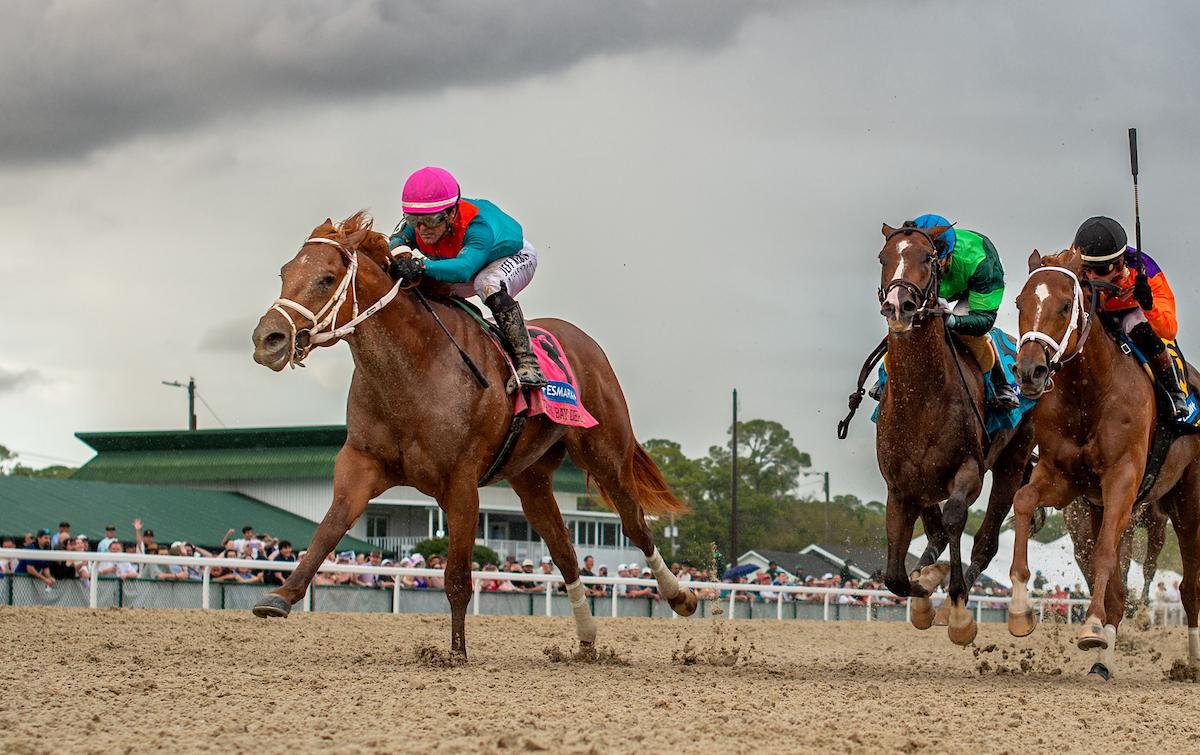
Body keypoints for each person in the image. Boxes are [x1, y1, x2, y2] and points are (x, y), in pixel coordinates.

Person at [386, 166, 547, 388]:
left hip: (511, 256)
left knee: (487, 284)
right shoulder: (422, 221)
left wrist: (419, 265)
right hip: (464, 260)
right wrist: (401, 255)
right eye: (414, 220)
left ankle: (528, 363)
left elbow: (464, 270)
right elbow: (395, 241)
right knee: (426, 285)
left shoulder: (478, 227)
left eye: (431, 220)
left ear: (451, 212)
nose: (422, 229)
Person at [874, 213, 1021, 410]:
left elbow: (984, 319)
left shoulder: (981, 262)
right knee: (907, 324)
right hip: (933, 286)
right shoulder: (915, 254)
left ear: (946, 256)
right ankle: (886, 377)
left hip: (974, 284)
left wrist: (953, 321)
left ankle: (1000, 382)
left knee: (966, 334)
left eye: (937, 261)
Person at [1074, 216, 1188, 418]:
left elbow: (1169, 330)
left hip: (1127, 314)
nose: (1091, 277)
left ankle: (1173, 393)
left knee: (1137, 325)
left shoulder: (1147, 272)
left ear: (1120, 264)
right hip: (1092, 312)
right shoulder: (1072, 261)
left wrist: (1149, 305)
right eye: (1085, 269)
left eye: (1101, 270)